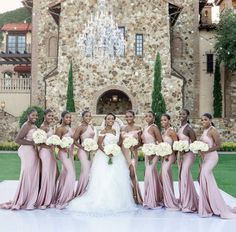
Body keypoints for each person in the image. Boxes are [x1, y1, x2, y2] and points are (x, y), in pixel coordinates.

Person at [67, 113, 136, 213]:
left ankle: (118, 200)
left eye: (112, 119)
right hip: (104, 156)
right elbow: (99, 144)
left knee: (116, 178)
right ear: (105, 120)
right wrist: (107, 152)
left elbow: (119, 143)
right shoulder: (103, 131)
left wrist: (115, 149)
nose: (110, 120)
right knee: (105, 177)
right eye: (108, 119)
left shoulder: (116, 131)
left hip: (116, 156)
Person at [0, 108, 40, 210]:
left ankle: (31, 197)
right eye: (33, 115)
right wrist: (32, 143)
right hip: (27, 152)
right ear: (28, 115)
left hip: (34, 152)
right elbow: (17, 140)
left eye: (36, 115)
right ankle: (23, 198)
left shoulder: (34, 126)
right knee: (27, 173)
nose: (35, 117)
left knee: (32, 174)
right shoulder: (26, 125)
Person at [198, 113, 236, 219]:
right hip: (205, 158)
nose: (203, 122)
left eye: (205, 120)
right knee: (204, 178)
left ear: (210, 120)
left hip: (212, 157)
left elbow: (218, 145)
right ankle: (209, 204)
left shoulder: (212, 130)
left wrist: (206, 150)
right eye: (202, 120)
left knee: (205, 175)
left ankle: (216, 205)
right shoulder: (204, 131)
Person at [36, 109, 58, 209]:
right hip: (45, 152)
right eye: (49, 116)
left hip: (51, 152)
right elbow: (39, 142)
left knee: (53, 173)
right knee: (46, 174)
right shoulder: (42, 128)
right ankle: (44, 200)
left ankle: (51, 198)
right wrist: (50, 143)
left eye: (52, 116)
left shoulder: (50, 127)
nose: (51, 118)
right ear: (44, 116)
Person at [177, 109, 198, 213]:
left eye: (184, 114)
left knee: (185, 175)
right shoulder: (179, 128)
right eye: (180, 114)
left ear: (187, 115)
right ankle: (186, 200)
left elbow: (195, 144)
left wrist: (186, 148)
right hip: (181, 155)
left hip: (189, 155)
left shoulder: (189, 129)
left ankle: (188, 204)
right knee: (182, 176)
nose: (181, 115)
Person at [141, 111, 163, 209]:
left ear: (154, 118)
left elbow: (160, 142)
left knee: (149, 173)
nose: (148, 117)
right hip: (147, 153)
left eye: (150, 116)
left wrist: (153, 153)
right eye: (146, 116)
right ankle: (151, 197)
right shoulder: (145, 128)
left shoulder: (154, 127)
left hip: (153, 153)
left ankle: (151, 200)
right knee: (149, 174)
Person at [121, 110, 143, 204]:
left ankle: (135, 196)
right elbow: (119, 142)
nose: (128, 118)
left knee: (133, 174)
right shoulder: (122, 128)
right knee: (125, 175)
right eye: (127, 117)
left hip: (133, 153)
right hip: (124, 154)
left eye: (130, 116)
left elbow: (141, 142)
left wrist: (134, 146)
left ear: (134, 117)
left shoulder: (138, 128)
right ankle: (126, 197)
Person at [55, 111, 76, 209]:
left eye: (70, 118)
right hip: (63, 153)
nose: (69, 119)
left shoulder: (69, 128)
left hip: (70, 153)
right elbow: (56, 142)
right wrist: (63, 147)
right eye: (67, 117)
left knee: (65, 173)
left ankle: (60, 193)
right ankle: (65, 198)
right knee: (71, 173)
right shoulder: (59, 129)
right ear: (62, 118)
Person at [73, 110, 95, 196]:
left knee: (90, 171)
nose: (88, 118)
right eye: (86, 116)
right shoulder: (80, 127)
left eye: (90, 116)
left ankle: (87, 191)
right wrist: (82, 147)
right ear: (83, 117)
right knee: (85, 171)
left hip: (91, 151)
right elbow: (74, 140)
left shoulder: (91, 127)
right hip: (82, 151)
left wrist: (92, 147)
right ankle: (81, 192)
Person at [160, 113, 179, 210]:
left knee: (165, 174)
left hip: (170, 156)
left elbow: (176, 144)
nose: (163, 122)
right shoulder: (164, 131)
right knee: (165, 175)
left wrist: (170, 154)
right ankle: (166, 198)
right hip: (165, 156)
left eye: (165, 120)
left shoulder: (171, 131)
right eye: (161, 120)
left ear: (169, 120)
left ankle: (170, 201)